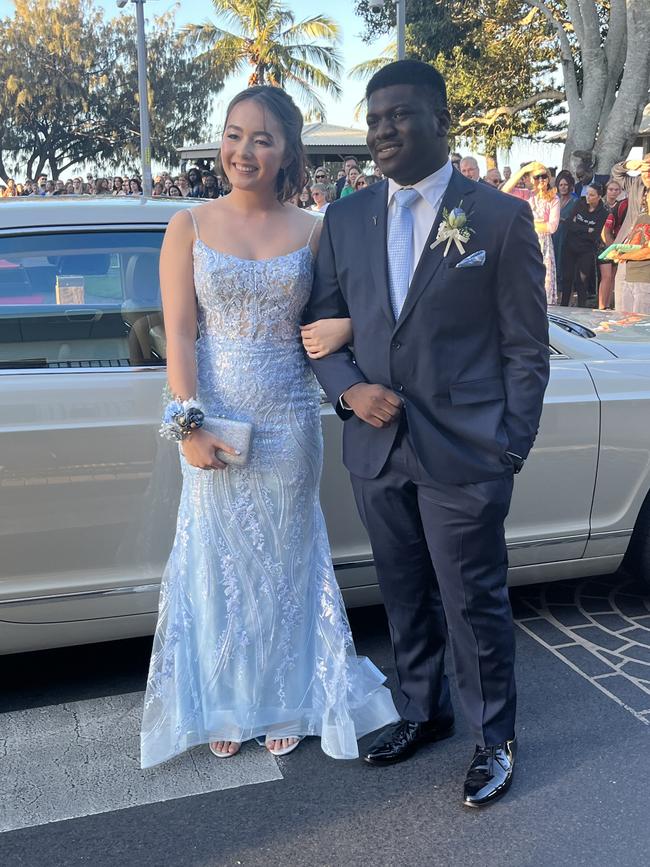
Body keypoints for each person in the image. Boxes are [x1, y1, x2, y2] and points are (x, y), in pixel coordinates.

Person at [305, 59, 549, 808]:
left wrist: (508, 447)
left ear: (443, 120)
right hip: (377, 451)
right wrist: (350, 391)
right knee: (405, 594)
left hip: (467, 453)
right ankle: (424, 710)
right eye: (374, 118)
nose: (383, 130)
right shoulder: (344, 219)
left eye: (400, 115)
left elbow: (525, 348)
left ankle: (493, 738)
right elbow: (318, 328)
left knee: (472, 601)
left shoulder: (499, 218)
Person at [140, 85, 398, 770]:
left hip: (289, 421)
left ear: (287, 152)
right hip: (214, 419)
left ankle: (286, 696)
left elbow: (355, 312)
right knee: (218, 565)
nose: (242, 150)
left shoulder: (316, 230)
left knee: (284, 562)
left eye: (261, 138)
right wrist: (188, 425)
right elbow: (183, 338)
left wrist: (343, 324)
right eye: (233, 134)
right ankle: (225, 700)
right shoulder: (188, 226)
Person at [502, 161, 560, 304]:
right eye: (537, 177)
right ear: (531, 180)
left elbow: (552, 227)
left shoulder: (553, 198)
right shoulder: (526, 195)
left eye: (544, 176)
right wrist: (523, 171)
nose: (541, 180)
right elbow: (505, 191)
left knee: (544, 284)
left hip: (543, 244)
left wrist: (526, 223)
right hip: (525, 242)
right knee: (524, 280)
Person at [610, 155, 650, 309]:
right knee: (621, 315)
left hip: (644, 270)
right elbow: (616, 172)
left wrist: (622, 255)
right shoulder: (637, 184)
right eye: (645, 169)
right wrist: (632, 164)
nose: (647, 173)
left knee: (641, 322)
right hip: (625, 263)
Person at [560, 183, 608, 307]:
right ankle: (564, 305)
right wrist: (587, 229)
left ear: (599, 197)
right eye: (587, 194)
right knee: (567, 278)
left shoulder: (603, 212)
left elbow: (596, 234)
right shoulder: (580, 203)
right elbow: (569, 223)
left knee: (582, 280)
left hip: (586, 249)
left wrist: (579, 228)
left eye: (592, 195)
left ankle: (581, 308)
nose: (588, 197)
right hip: (570, 246)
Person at [598, 179, 626, 309]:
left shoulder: (622, 205)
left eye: (616, 190)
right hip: (602, 243)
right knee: (606, 276)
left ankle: (609, 305)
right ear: (606, 190)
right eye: (611, 189)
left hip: (617, 242)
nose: (613, 192)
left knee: (613, 277)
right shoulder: (600, 204)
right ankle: (602, 306)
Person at [552, 170, 578, 303]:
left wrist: (561, 219)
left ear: (570, 186)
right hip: (553, 236)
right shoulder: (553, 199)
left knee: (564, 267)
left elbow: (573, 220)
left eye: (565, 184)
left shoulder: (575, 201)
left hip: (567, 237)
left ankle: (565, 298)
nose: (563, 187)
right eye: (561, 185)